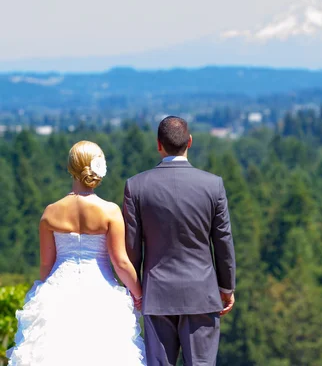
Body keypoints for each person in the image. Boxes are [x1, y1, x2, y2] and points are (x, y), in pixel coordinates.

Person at [7, 141, 146, 366]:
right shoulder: (110, 210)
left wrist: (40, 295)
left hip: (57, 291)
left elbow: (46, 265)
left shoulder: (51, 212)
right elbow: (120, 262)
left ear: (71, 167)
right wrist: (138, 294)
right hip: (101, 293)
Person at [123, 116, 236, 366]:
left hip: (157, 294)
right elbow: (223, 242)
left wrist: (136, 290)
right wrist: (226, 288)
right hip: (202, 293)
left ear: (158, 144)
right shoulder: (212, 185)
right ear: (190, 142)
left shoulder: (136, 186)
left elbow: (132, 247)